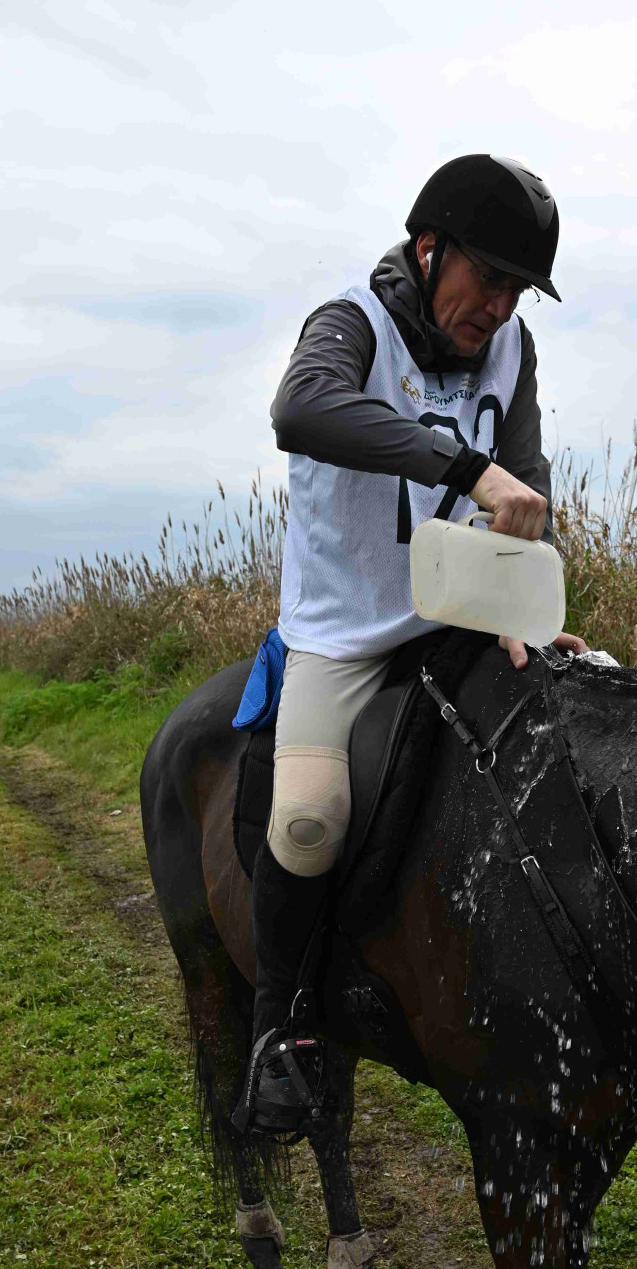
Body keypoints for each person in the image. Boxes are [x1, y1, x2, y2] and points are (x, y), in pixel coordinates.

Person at [237, 153, 585, 1137]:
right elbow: (300, 409)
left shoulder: (511, 348)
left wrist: (526, 601)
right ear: (429, 248)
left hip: (464, 616)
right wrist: (463, 465)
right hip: (342, 636)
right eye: (488, 274)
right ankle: (279, 1035)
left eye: (519, 286)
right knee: (305, 818)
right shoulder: (351, 323)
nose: (501, 302)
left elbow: (525, 484)